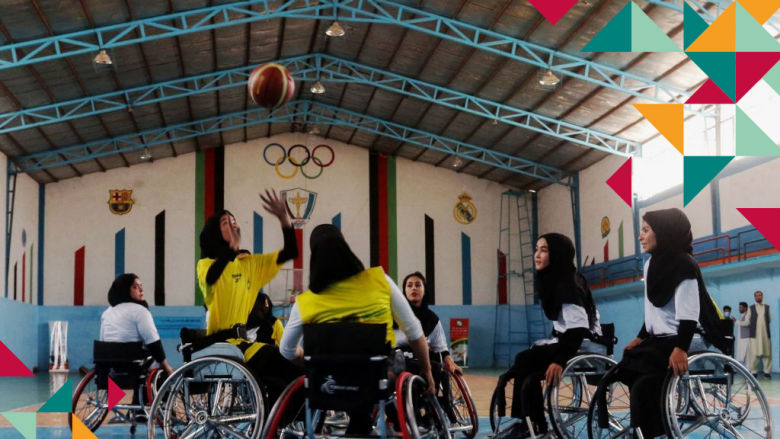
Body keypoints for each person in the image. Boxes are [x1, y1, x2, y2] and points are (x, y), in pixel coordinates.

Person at [279, 224, 433, 434]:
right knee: (386, 364)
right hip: (377, 376)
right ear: (346, 248)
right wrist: (427, 371)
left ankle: (357, 421)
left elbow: (286, 350)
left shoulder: (305, 301)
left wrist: (311, 362)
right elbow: (414, 332)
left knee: (342, 371)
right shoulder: (380, 281)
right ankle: (370, 422)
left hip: (329, 381)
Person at [616, 208, 729, 438]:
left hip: (685, 338)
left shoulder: (684, 263)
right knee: (626, 367)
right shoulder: (650, 265)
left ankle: (651, 431)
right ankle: (647, 429)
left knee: (643, 382)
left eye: (646, 230)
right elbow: (652, 311)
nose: (640, 236)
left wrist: (680, 348)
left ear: (664, 232)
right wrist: (640, 336)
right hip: (659, 340)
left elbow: (689, 313)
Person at [196, 189, 300, 402]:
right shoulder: (205, 265)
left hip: (241, 342)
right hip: (221, 343)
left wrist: (284, 219)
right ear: (214, 232)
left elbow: (290, 251)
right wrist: (231, 249)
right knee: (274, 359)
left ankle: (282, 421)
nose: (232, 224)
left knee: (288, 374)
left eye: (233, 221)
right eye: (225, 222)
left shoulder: (249, 265)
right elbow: (212, 277)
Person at [496, 233, 600, 438]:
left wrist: (560, 361)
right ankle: (531, 421)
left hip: (582, 343)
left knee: (525, 359)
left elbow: (578, 329)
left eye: (544, 250)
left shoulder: (568, 284)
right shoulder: (557, 278)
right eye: (536, 249)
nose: (537, 254)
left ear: (558, 254)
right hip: (569, 339)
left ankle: (531, 422)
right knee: (528, 365)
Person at [99, 273, 174, 408]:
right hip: (134, 367)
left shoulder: (107, 312)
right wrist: (167, 367)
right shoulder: (140, 311)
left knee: (144, 361)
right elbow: (153, 341)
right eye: (135, 287)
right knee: (160, 368)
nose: (141, 290)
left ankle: (138, 405)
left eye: (141, 286)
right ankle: (157, 409)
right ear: (125, 290)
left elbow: (103, 339)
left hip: (109, 366)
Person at [394, 271, 462, 375]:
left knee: (441, 373)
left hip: (423, 362)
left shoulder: (432, 319)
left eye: (418, 285)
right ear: (404, 291)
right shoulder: (395, 316)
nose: (413, 288)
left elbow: (441, 348)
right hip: (399, 362)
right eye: (409, 285)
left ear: (424, 290)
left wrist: (450, 362)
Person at [746, 290, 771, 378]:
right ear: (754, 297)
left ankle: (767, 372)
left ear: (762, 296)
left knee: (767, 354)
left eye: (759, 295)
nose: (758, 297)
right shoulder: (751, 308)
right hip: (754, 335)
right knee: (754, 354)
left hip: (765, 334)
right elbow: (747, 321)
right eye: (756, 296)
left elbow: (769, 320)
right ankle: (754, 372)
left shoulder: (767, 307)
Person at [736, 301, 752, 368]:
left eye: (740, 307)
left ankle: (748, 371)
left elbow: (747, 323)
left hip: (746, 338)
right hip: (742, 338)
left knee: (747, 356)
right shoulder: (743, 315)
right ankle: (745, 371)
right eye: (739, 307)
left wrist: (736, 321)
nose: (739, 309)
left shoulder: (748, 314)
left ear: (745, 308)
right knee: (743, 356)